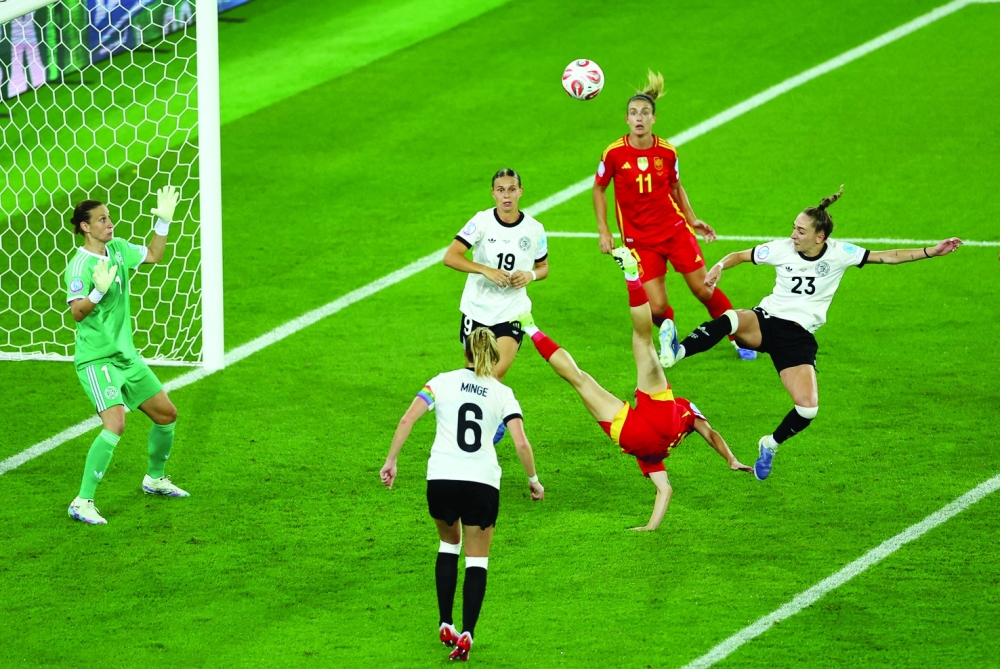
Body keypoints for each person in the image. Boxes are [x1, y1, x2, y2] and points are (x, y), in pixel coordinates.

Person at [659, 186, 963, 480]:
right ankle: (677, 352)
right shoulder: (781, 249)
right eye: (793, 228)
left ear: (820, 237)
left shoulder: (840, 253)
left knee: (807, 409)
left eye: (800, 231)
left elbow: (889, 256)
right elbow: (739, 255)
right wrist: (719, 266)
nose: (793, 235)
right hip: (767, 320)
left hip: (799, 338)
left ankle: (770, 444)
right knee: (732, 320)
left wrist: (932, 251)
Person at [516, 248, 751, 531]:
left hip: (663, 411)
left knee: (643, 338)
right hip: (637, 436)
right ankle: (528, 326)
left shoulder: (685, 410)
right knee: (580, 380)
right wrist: (730, 460)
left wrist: (731, 457)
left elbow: (709, 435)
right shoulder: (656, 453)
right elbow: (666, 489)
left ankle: (633, 278)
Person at [379, 328, 544, 662]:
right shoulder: (503, 393)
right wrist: (533, 480)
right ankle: (467, 631)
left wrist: (391, 460)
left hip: (441, 478)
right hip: (481, 482)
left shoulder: (440, 381)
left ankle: (445, 622)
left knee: (447, 545)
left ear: (465, 352)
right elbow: (521, 443)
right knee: (477, 559)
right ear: (495, 357)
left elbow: (407, 418)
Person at [592, 70, 754, 362]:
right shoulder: (614, 154)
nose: (639, 118)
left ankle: (740, 338)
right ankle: (669, 331)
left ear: (654, 118)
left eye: (644, 113)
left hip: (675, 231)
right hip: (640, 241)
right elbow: (599, 190)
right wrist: (604, 230)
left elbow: (676, 186)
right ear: (626, 119)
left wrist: (692, 219)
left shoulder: (667, 152)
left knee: (704, 289)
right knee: (655, 308)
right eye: (633, 113)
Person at [64, 186, 189, 525]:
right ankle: (82, 501)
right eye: (102, 219)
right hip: (96, 359)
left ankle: (154, 479)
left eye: (109, 217)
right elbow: (77, 312)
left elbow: (152, 254)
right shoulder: (78, 267)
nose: (110, 223)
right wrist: (97, 291)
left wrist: (164, 222)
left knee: (166, 415)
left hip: (126, 357)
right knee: (116, 423)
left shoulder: (117, 250)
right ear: (85, 227)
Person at [443, 168, 549, 444]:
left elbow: (544, 266)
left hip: (511, 311)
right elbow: (451, 256)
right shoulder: (481, 221)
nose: (506, 195)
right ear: (493, 193)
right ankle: (483, 420)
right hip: (476, 309)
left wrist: (531, 275)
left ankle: (488, 426)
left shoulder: (535, 229)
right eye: (501, 190)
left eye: (511, 189)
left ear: (520, 192)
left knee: (495, 372)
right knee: (474, 372)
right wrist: (484, 270)